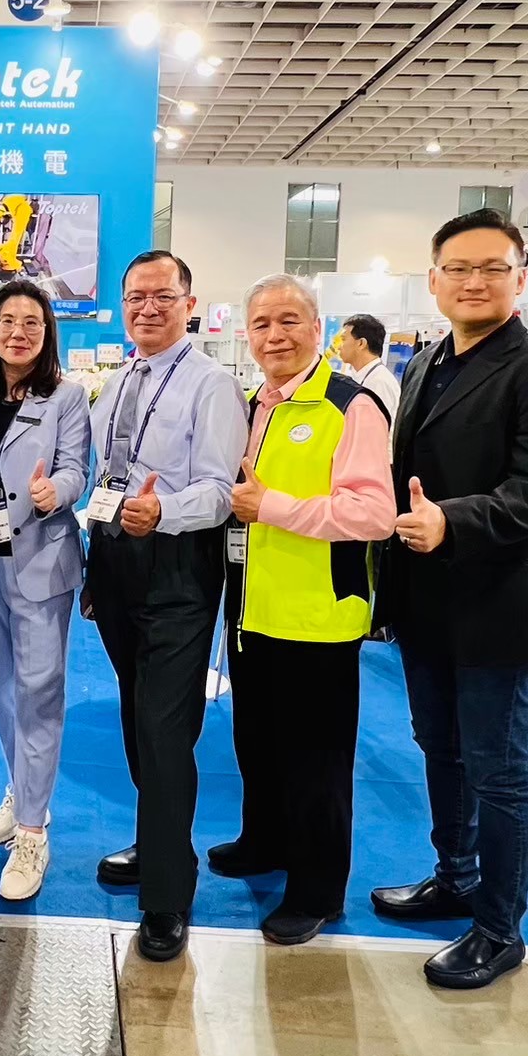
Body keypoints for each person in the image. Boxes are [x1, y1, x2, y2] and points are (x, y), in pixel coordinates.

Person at [372, 209, 528, 989]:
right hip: (425, 600)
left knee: (497, 767)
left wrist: (450, 521)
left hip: (499, 603)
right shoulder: (422, 363)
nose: (473, 281)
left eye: (491, 268)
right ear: (433, 280)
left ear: (519, 278)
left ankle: (499, 928)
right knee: (440, 746)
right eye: (458, 268)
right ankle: (454, 875)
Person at [209, 273, 396, 945]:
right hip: (250, 611)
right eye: (261, 324)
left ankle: (318, 890)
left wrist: (275, 508)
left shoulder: (350, 406)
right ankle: (264, 840)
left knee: (316, 762)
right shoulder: (253, 405)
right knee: (256, 742)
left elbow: (374, 514)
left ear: (319, 329)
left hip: (317, 616)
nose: (275, 335)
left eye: (289, 321)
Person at [88, 250, 246, 962]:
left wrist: (163, 512)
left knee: (163, 726)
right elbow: (104, 473)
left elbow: (219, 491)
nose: (147, 308)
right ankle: (158, 843)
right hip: (117, 558)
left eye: (162, 296)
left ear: (189, 303)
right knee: (135, 714)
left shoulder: (212, 385)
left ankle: (167, 895)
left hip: (176, 563)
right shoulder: (120, 380)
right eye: (135, 297)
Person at [0, 282, 90, 901]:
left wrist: (55, 491)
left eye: (32, 322)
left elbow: (77, 468)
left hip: (38, 561)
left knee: (39, 692)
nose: (18, 332)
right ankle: (23, 790)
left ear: (47, 332)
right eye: (7, 320)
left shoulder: (66, 395)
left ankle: (32, 831)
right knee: (1, 686)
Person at [338, 313, 401, 422]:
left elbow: (377, 429)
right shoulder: (363, 375)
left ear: (361, 343)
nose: (339, 347)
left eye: (343, 340)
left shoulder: (379, 383)